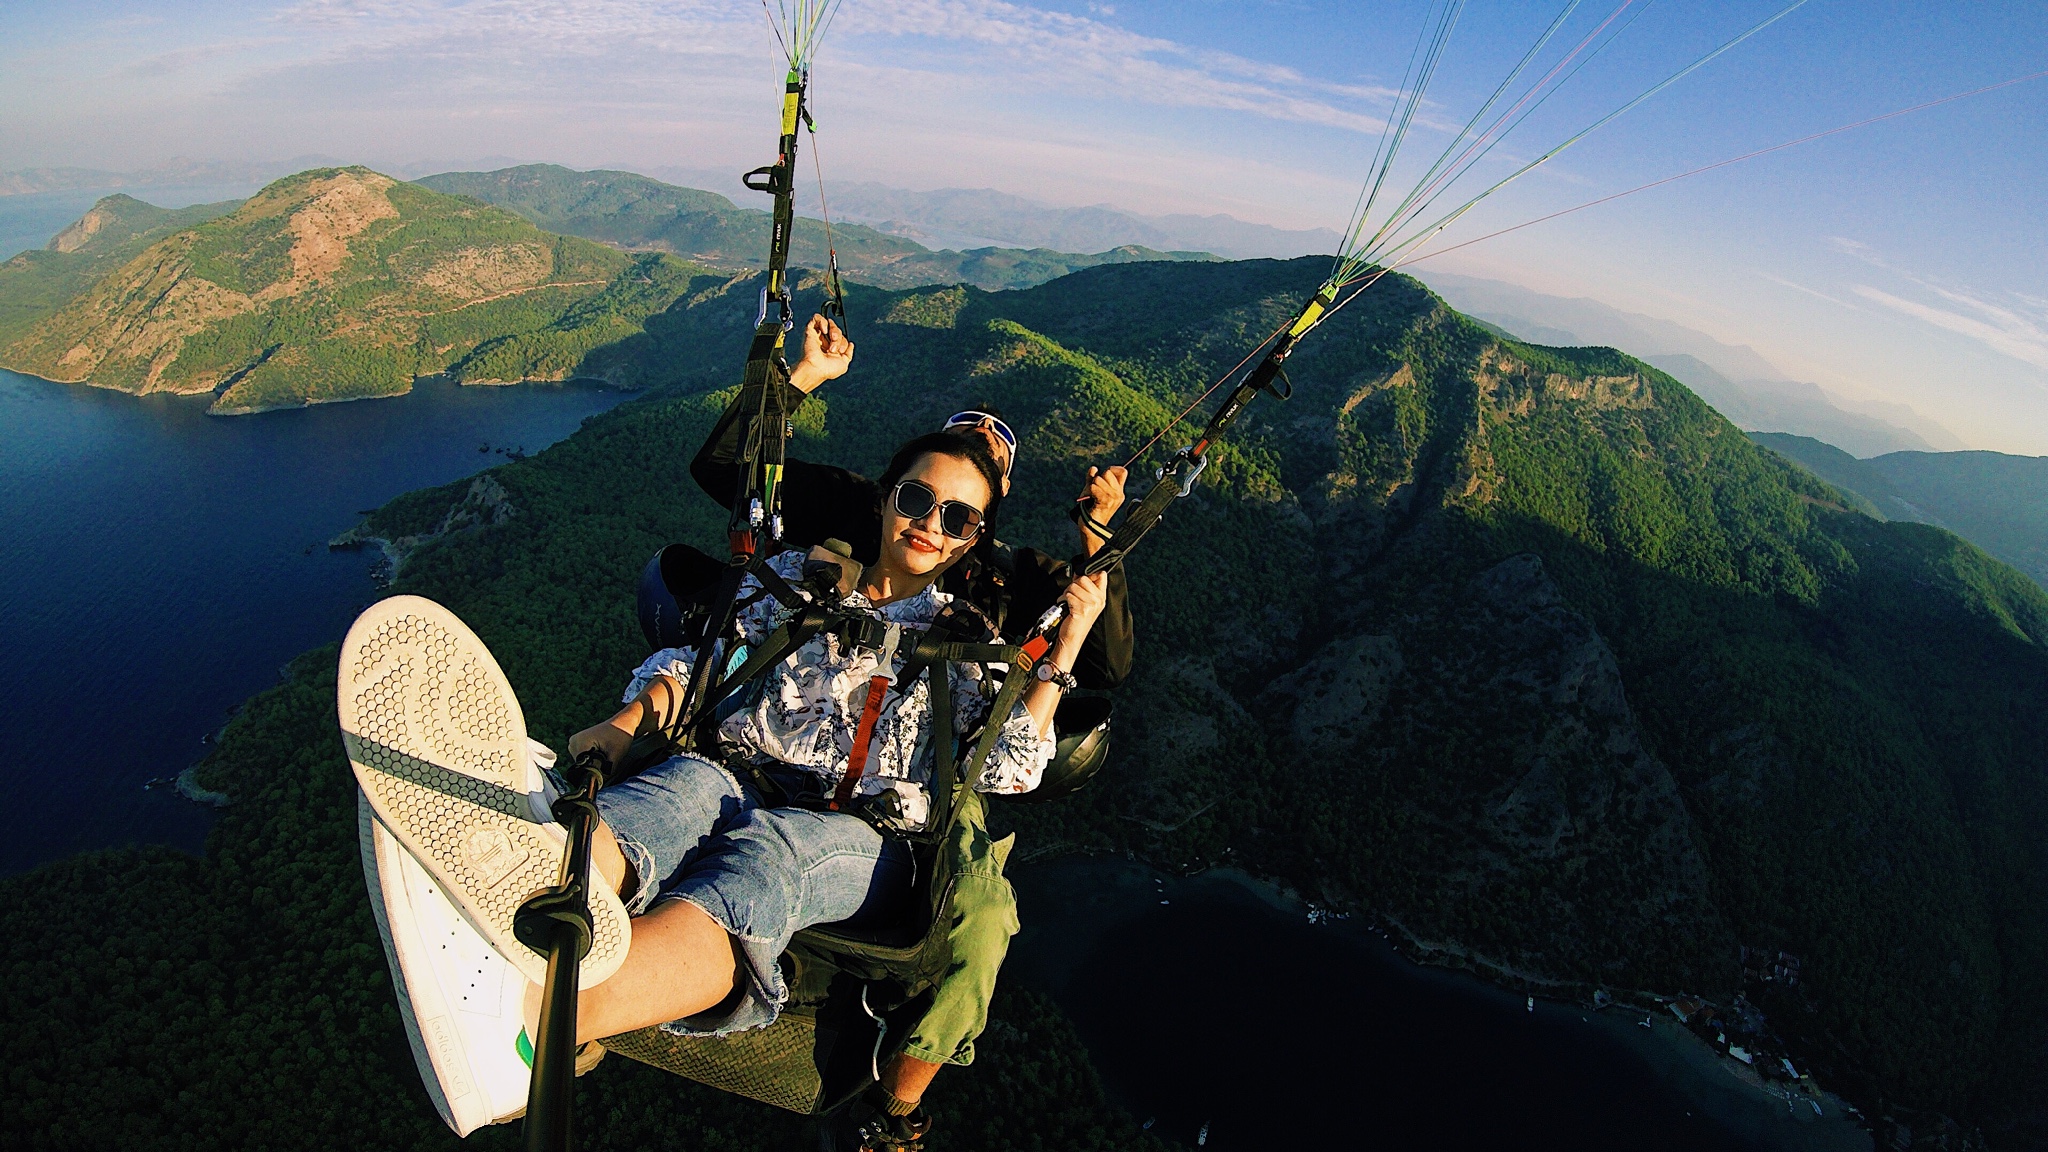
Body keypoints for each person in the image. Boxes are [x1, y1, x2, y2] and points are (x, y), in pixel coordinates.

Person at [692, 314, 1135, 689]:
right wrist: (806, 376)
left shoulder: (1015, 578)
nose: (930, 523)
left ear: (999, 492)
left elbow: (1106, 667)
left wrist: (1096, 535)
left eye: (961, 513)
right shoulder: (857, 504)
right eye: (918, 495)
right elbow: (722, 469)